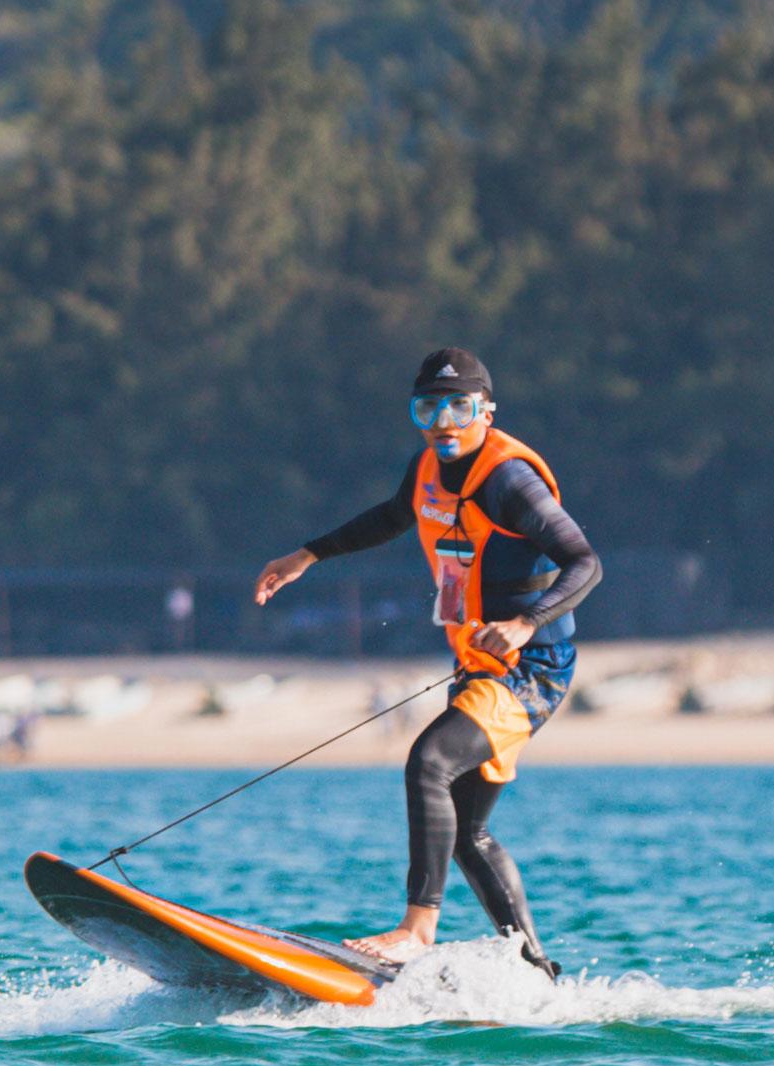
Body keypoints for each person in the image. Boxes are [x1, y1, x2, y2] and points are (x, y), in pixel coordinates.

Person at [256, 345, 599, 969]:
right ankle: (536, 973)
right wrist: (307, 555)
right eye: (427, 409)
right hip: (478, 666)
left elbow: (586, 563)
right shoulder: (427, 469)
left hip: (530, 671)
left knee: (429, 763)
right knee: (466, 834)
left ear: (487, 412)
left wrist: (525, 623)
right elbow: (392, 517)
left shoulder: (509, 482)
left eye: (458, 408)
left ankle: (417, 930)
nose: (443, 423)